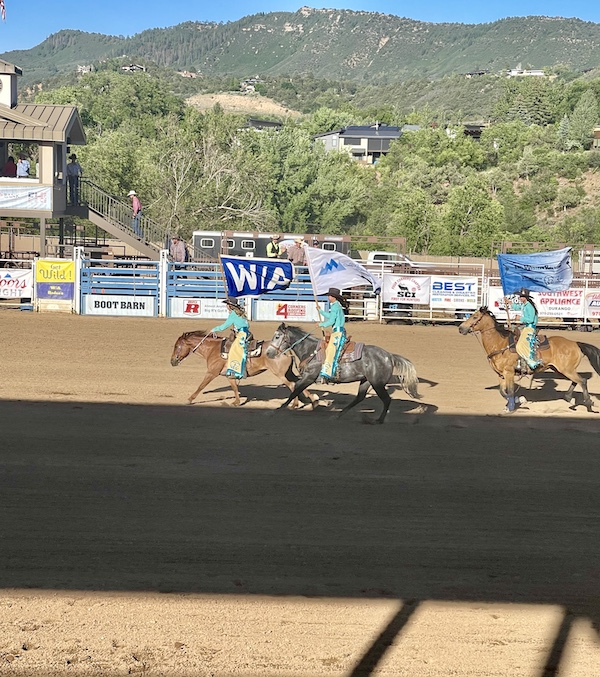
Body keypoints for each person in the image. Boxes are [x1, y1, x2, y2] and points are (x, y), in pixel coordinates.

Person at [210, 297, 251, 379]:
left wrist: (214, 329)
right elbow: (247, 324)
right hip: (245, 332)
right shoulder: (240, 312)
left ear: (230, 306)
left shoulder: (233, 314)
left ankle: (236, 371)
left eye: (227, 304)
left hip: (241, 334)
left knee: (234, 350)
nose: (226, 306)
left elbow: (224, 327)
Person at [318, 287, 349, 382]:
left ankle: (328, 372)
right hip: (337, 331)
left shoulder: (335, 306)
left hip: (338, 332)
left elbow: (331, 321)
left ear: (333, 297)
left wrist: (321, 324)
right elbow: (331, 316)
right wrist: (321, 311)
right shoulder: (336, 306)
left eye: (329, 296)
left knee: (331, 349)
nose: (328, 297)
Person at [512, 288, 541, 370]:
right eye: (520, 296)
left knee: (520, 346)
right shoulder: (525, 305)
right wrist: (509, 303)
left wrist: (520, 318)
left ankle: (530, 362)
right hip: (526, 327)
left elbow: (531, 319)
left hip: (530, 328)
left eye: (522, 296)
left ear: (526, 297)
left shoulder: (529, 306)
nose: (520, 298)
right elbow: (517, 307)